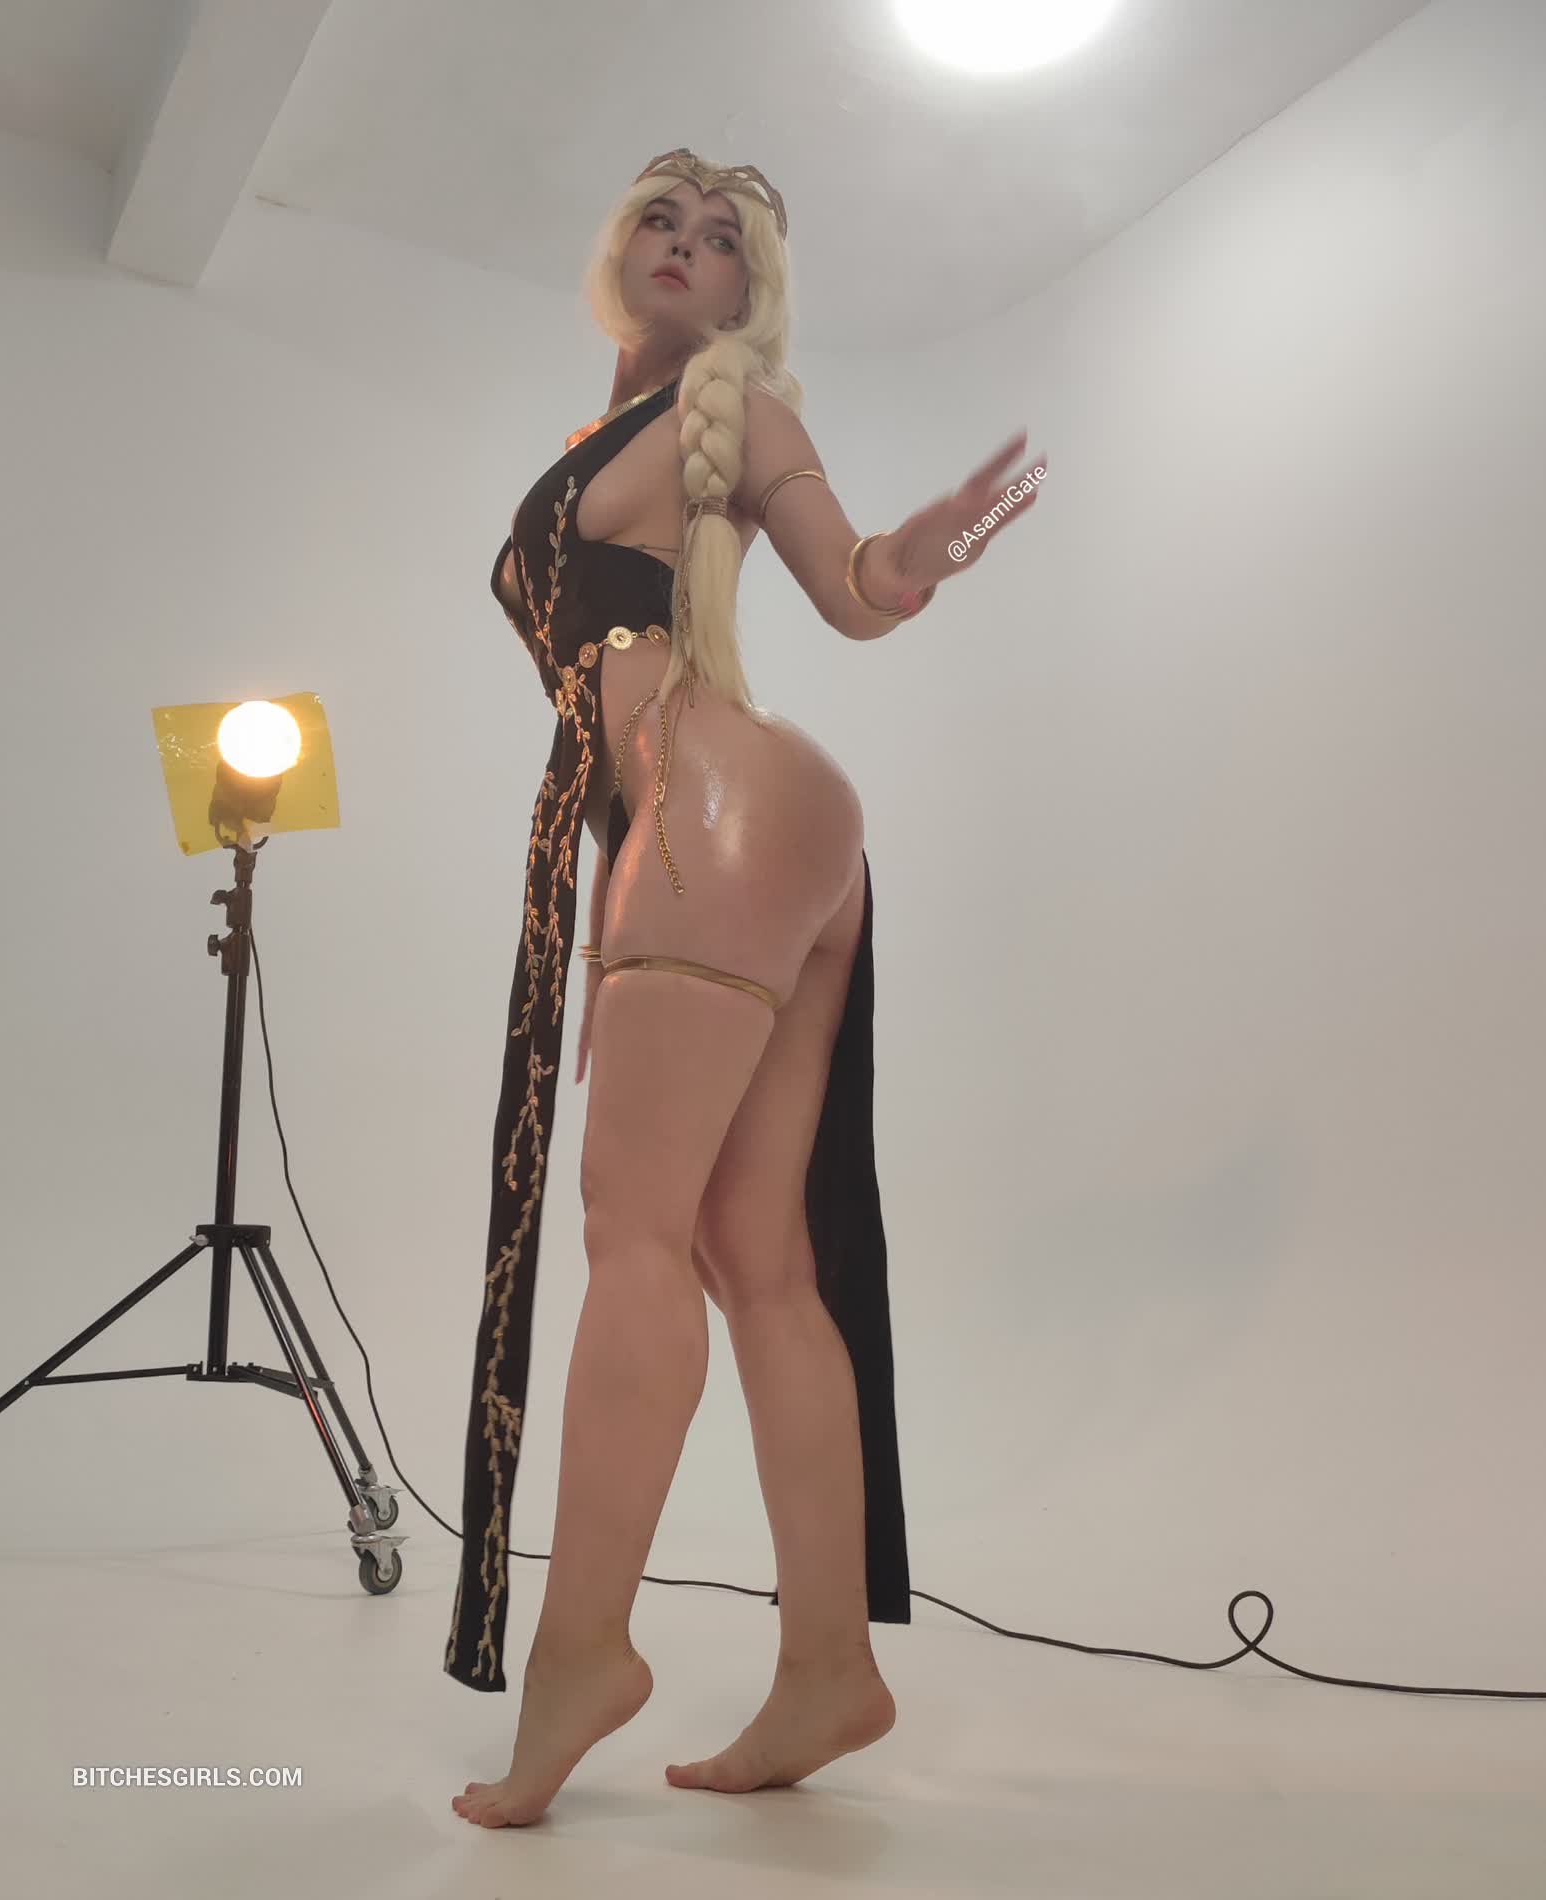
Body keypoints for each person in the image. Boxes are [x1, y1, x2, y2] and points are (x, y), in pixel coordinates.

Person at [449, 148, 1043, 1827]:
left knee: (634, 1236)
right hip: (752, 832)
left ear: (746, 294)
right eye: (663, 218)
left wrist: (918, 552)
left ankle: (582, 1652)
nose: (685, 245)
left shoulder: (737, 411)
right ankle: (828, 1667)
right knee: (755, 1259)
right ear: (619, 247)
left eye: (722, 239)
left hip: (718, 808)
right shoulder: (622, 437)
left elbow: (853, 586)